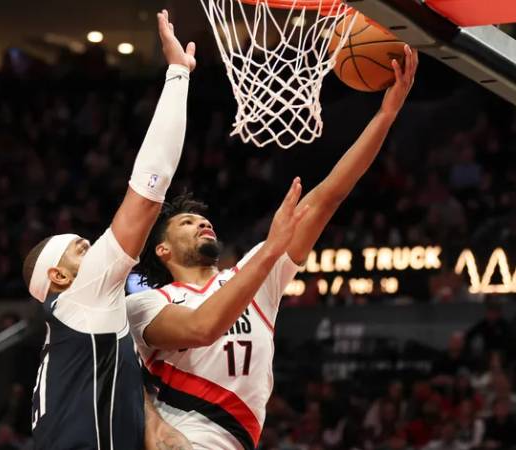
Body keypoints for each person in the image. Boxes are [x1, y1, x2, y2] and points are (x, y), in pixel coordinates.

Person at [127, 46, 418, 449]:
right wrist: (269, 252)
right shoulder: (147, 305)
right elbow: (201, 328)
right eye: (187, 222)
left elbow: (327, 197)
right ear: (162, 251)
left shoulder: (255, 279)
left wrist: (385, 116)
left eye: (203, 219)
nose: (203, 223)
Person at [21, 10, 196, 449]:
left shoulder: (69, 341)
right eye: (81, 248)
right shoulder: (81, 299)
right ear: (60, 278)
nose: (95, 248)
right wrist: (177, 76)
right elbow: (146, 191)